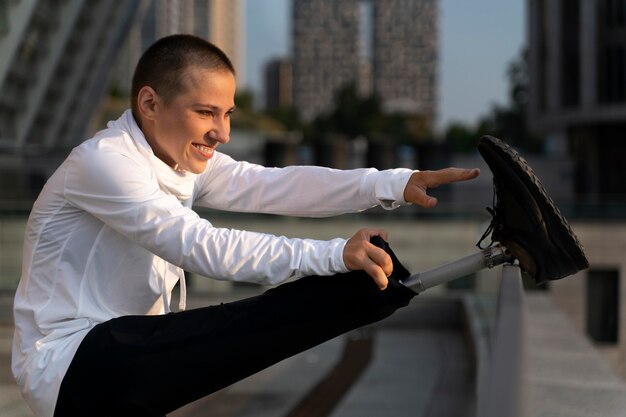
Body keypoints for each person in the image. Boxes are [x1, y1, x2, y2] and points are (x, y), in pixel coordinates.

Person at [11, 34, 479, 417]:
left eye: (228, 113)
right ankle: (384, 285)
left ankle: (387, 283)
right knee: (243, 323)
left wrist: (397, 182)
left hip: (126, 354)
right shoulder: (103, 164)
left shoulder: (179, 161)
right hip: (71, 361)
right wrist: (333, 255)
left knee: (300, 307)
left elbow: (276, 186)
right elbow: (199, 245)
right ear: (150, 103)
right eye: (205, 113)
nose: (223, 132)